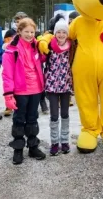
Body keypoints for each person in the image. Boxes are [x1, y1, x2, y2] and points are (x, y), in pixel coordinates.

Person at [2, 18, 46, 164]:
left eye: (32, 32)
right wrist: (8, 94)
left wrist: (45, 43)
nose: (29, 34)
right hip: (21, 91)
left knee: (32, 119)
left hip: (36, 89)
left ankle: (33, 147)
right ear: (19, 31)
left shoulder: (37, 46)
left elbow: (45, 57)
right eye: (26, 31)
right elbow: (7, 74)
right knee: (19, 119)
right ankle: (18, 149)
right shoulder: (11, 50)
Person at [39, 19, 74, 156]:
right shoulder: (49, 45)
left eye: (63, 32)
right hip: (52, 85)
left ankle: (64, 141)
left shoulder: (71, 47)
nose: (61, 34)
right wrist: (42, 42)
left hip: (66, 85)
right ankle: (54, 143)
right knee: (54, 115)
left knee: (65, 114)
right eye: (58, 32)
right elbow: (40, 58)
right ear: (54, 33)